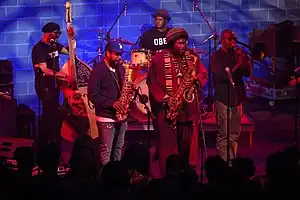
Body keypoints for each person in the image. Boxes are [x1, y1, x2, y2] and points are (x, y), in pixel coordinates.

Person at [147, 28, 208, 176]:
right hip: (168, 109)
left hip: (188, 110)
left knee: (187, 145)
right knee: (168, 146)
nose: (183, 45)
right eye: (180, 43)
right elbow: (151, 81)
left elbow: (203, 73)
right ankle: (169, 176)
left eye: (185, 42)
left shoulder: (192, 57)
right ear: (172, 43)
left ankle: (187, 174)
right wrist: (165, 98)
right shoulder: (158, 59)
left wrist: (195, 81)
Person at [210, 29, 251, 162]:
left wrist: (244, 60)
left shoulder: (237, 55)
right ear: (222, 40)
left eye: (234, 39)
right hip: (223, 98)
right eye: (229, 39)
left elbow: (247, 73)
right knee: (224, 134)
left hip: (237, 98)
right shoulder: (216, 56)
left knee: (234, 134)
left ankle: (232, 162)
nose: (233, 42)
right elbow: (222, 76)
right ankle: (223, 163)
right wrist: (238, 64)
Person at [88, 40, 129, 168]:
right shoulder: (98, 70)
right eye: (116, 54)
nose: (119, 57)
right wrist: (112, 104)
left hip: (121, 116)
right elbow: (93, 95)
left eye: (120, 54)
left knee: (118, 149)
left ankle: (116, 177)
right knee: (106, 152)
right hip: (106, 116)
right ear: (107, 53)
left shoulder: (121, 69)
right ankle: (103, 182)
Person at [31, 22, 69, 150]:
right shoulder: (39, 49)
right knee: (49, 113)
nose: (58, 35)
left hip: (54, 85)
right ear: (48, 33)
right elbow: (43, 70)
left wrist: (72, 38)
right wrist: (62, 75)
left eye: (59, 33)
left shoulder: (54, 46)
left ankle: (54, 140)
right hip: (44, 86)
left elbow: (69, 51)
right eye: (56, 33)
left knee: (54, 113)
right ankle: (46, 142)